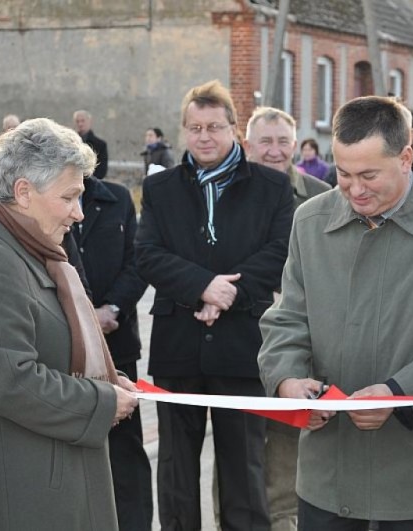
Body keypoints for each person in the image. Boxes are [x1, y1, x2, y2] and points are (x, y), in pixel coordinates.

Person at [257, 95, 413, 530]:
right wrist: (287, 379)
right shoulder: (310, 220)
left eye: (369, 175)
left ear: (406, 158)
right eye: (343, 174)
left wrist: (398, 392)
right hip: (327, 476)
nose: (355, 189)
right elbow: (288, 317)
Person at [0, 117, 139, 530]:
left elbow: (51, 351)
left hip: (54, 479)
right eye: (69, 197)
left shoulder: (28, 251)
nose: (78, 214)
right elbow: (11, 382)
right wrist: (100, 401)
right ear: (24, 192)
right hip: (26, 495)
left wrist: (107, 380)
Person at [135, 79, 294, 531]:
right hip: (178, 344)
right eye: (195, 128)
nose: (204, 137)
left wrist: (229, 294)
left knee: (244, 469)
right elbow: (147, 254)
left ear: (234, 129)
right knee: (176, 472)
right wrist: (202, 286)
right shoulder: (160, 188)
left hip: (242, 346)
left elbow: (280, 252)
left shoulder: (271, 186)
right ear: (184, 130)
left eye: (214, 127)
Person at [240, 105, 330, 531]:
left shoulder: (320, 195)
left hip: (297, 340)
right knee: (239, 450)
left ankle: (283, 521)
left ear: (295, 145)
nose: (274, 151)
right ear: (248, 145)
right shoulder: (229, 193)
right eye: (265, 141)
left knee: (287, 446)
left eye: (282, 141)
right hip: (239, 338)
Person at [72, 176, 153, 531]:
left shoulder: (116, 198)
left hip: (115, 347)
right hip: (67, 350)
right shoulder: (41, 200)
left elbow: (137, 263)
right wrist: (83, 317)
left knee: (125, 451)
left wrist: (112, 309)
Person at [74, 110, 109, 180]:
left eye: (83, 121)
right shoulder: (71, 143)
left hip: (92, 182)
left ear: (89, 121)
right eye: (77, 121)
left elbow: (102, 170)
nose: (80, 124)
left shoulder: (100, 145)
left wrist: (88, 180)